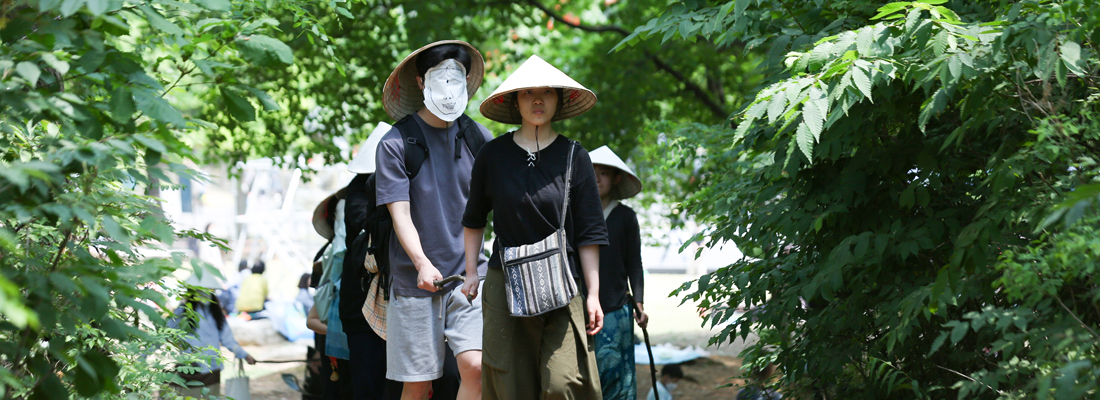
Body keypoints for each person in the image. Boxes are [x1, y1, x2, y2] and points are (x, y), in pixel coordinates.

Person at [462, 54, 607, 399]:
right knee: (509, 383)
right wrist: (470, 272)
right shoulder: (492, 154)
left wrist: (594, 294)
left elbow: (589, 232)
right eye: (528, 93)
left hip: (563, 282)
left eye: (546, 93)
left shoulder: (575, 156)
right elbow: (474, 218)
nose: (538, 100)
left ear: (560, 99)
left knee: (562, 382)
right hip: (504, 279)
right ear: (515, 101)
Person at [376, 40, 492, 400]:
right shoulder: (395, 143)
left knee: (475, 366)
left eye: (456, 77)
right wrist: (422, 264)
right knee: (419, 384)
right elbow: (400, 214)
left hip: (470, 277)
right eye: (439, 77)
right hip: (414, 281)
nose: (448, 85)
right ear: (421, 82)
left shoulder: (480, 140)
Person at [589, 145, 648, 400]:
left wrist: (639, 303)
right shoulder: (576, 215)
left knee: (615, 371)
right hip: (580, 306)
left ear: (616, 179)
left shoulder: (625, 217)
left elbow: (634, 262)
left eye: (604, 173)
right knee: (586, 374)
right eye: (593, 173)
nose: (598, 179)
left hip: (616, 306)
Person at [170, 272, 257, 398]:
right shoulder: (182, 311)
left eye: (209, 290)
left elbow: (228, 340)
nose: (205, 293)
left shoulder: (216, 313)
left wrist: (245, 355)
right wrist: (143, 356)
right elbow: (166, 333)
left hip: (212, 369)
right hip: (190, 369)